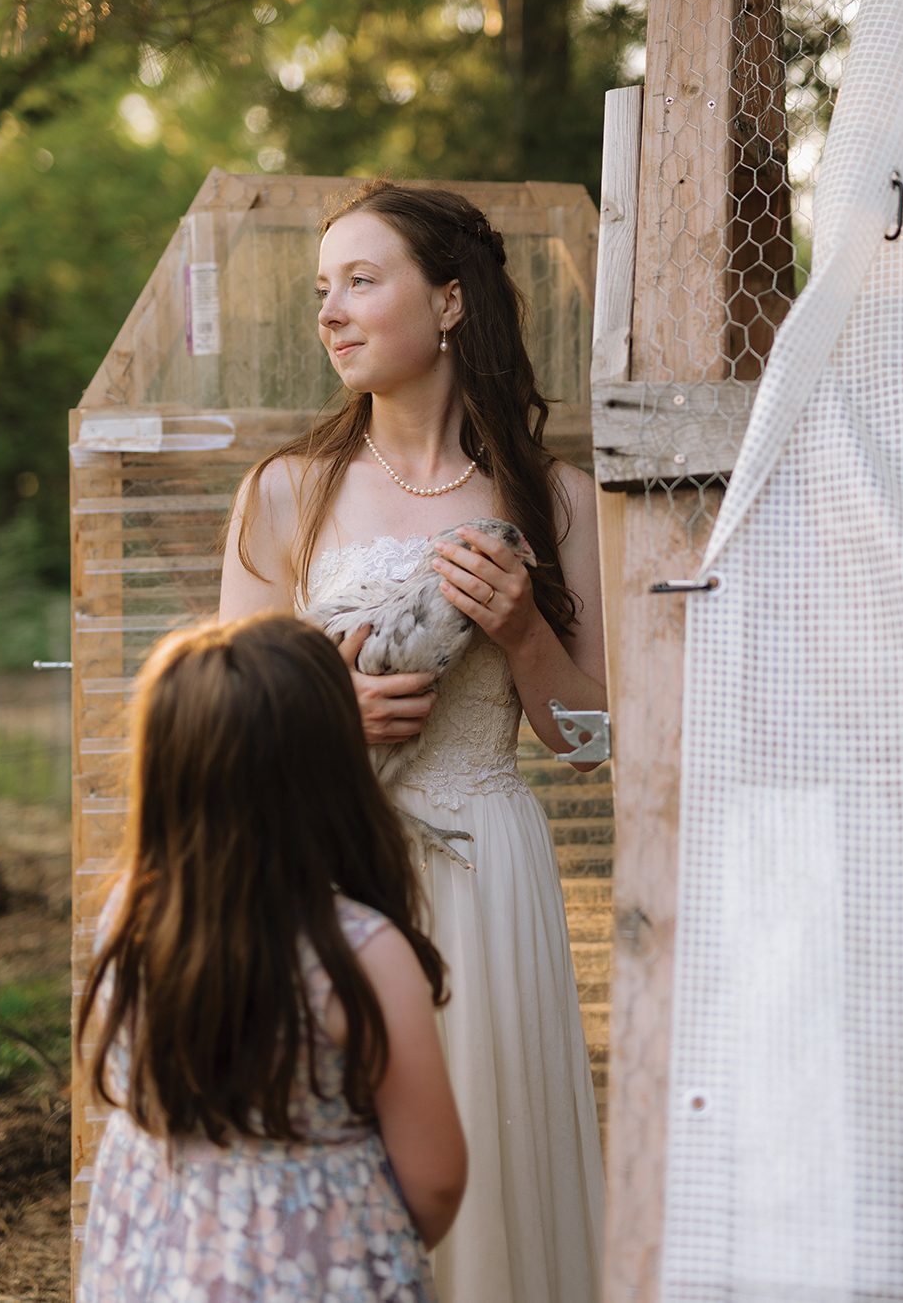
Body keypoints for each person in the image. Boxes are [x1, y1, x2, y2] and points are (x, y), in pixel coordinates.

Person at [219, 180, 606, 1303]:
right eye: (320, 289)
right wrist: (326, 718)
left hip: (493, 873)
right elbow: (228, 718)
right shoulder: (287, 492)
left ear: (448, 303)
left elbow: (591, 740)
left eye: (360, 279)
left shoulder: (562, 503)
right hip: (332, 870)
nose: (329, 311)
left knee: (486, 1182)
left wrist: (527, 630)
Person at [77, 614, 466, 1303]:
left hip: (155, 1269)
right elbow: (434, 1179)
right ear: (331, 770)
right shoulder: (363, 954)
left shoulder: (128, 924)